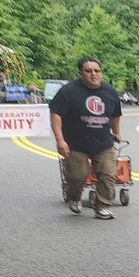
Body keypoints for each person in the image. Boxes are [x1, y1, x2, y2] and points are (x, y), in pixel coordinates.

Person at [50, 57, 123, 220]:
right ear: (80, 73)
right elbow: (56, 114)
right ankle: (74, 198)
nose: (93, 74)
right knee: (77, 175)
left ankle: (102, 206)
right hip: (76, 143)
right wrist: (60, 140)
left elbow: (116, 114)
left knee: (108, 174)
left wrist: (116, 132)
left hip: (103, 142)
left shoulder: (110, 92)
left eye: (96, 71)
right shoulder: (68, 91)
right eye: (88, 71)